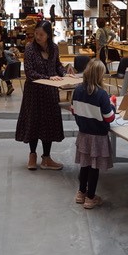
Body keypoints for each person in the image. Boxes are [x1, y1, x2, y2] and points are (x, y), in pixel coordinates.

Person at [16, 20, 72, 170]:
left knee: (49, 123)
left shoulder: (54, 48)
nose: (38, 37)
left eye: (41, 34)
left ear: (48, 35)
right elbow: (29, 72)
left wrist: (65, 74)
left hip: (50, 92)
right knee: (33, 122)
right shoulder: (29, 49)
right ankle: (32, 155)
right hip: (34, 92)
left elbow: (57, 65)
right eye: (36, 34)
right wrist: (48, 77)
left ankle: (46, 158)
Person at [71, 59, 115, 209]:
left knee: (85, 165)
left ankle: (81, 193)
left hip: (83, 134)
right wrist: (112, 105)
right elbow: (109, 117)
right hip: (98, 137)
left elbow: (73, 110)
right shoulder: (102, 94)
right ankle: (91, 198)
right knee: (94, 168)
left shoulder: (77, 90)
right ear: (99, 76)